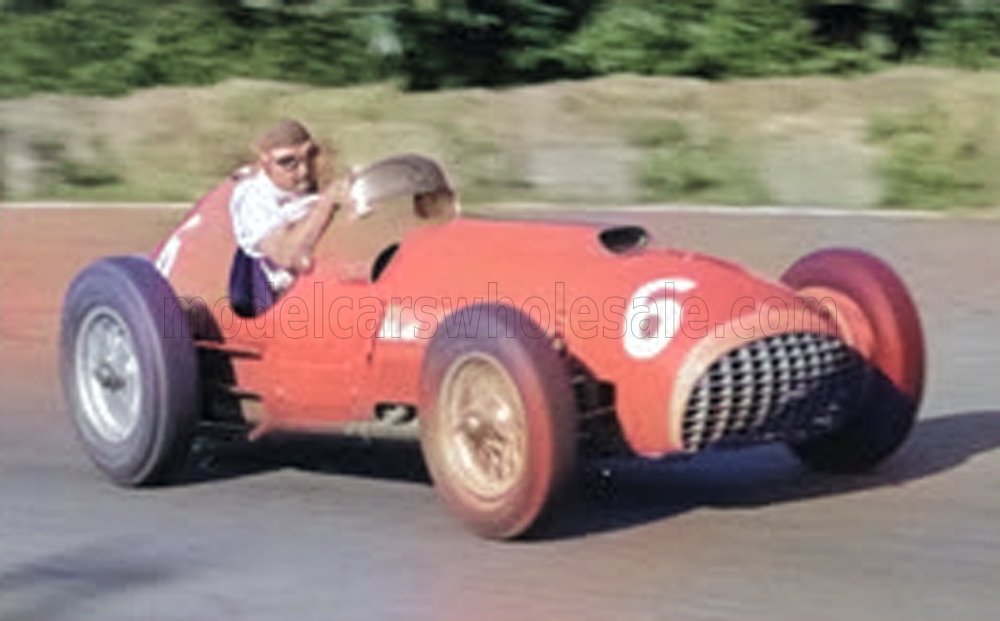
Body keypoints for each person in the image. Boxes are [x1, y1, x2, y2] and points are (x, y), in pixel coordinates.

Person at [228, 119, 349, 316]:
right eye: (288, 162)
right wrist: (326, 203)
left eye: (309, 156)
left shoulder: (311, 180)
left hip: (330, 282)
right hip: (286, 304)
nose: (304, 171)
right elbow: (287, 256)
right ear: (265, 164)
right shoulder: (253, 198)